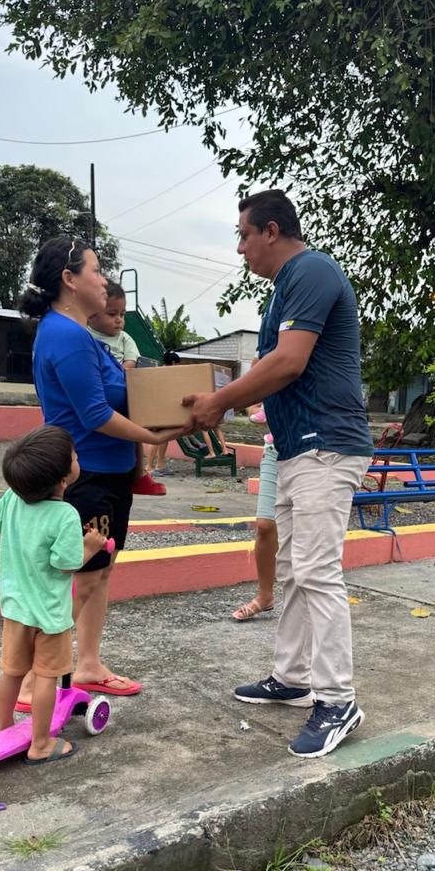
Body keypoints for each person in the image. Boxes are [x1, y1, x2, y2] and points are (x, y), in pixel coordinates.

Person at [185, 189, 373, 758]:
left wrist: (219, 403)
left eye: (244, 235)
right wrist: (216, 396)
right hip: (296, 449)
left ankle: (338, 700)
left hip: (326, 446)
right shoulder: (284, 289)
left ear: (271, 230)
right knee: (293, 570)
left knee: (316, 571)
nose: (240, 248)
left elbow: (288, 362)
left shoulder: (312, 270)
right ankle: (292, 678)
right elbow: (271, 369)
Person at [16, 235, 187, 704]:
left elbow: (121, 394)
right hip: (86, 473)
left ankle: (87, 664)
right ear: (69, 280)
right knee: (86, 575)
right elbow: (94, 413)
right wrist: (154, 436)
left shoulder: (80, 334)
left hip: (109, 472)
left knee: (101, 571)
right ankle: (32, 678)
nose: (104, 279)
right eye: (95, 270)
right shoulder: (67, 335)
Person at [0, 425, 107, 764]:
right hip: (50, 615)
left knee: (11, 671)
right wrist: (90, 546)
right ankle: (40, 744)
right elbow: (65, 565)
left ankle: (3, 725)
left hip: (15, 608)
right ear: (64, 480)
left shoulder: (12, 498)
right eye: (75, 457)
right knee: (46, 677)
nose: (78, 458)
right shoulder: (65, 514)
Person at [87, 279, 166, 496]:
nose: (119, 320)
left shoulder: (124, 338)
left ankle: (139, 473)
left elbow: (131, 362)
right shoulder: (85, 336)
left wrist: (117, 375)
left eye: (122, 315)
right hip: (99, 391)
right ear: (92, 315)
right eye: (112, 314)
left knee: (135, 430)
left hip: (122, 386)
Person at [232, 404, 277, 621]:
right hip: (275, 449)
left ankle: (306, 598)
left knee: (305, 530)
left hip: (313, 449)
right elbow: (253, 410)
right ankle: (265, 595)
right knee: (265, 525)